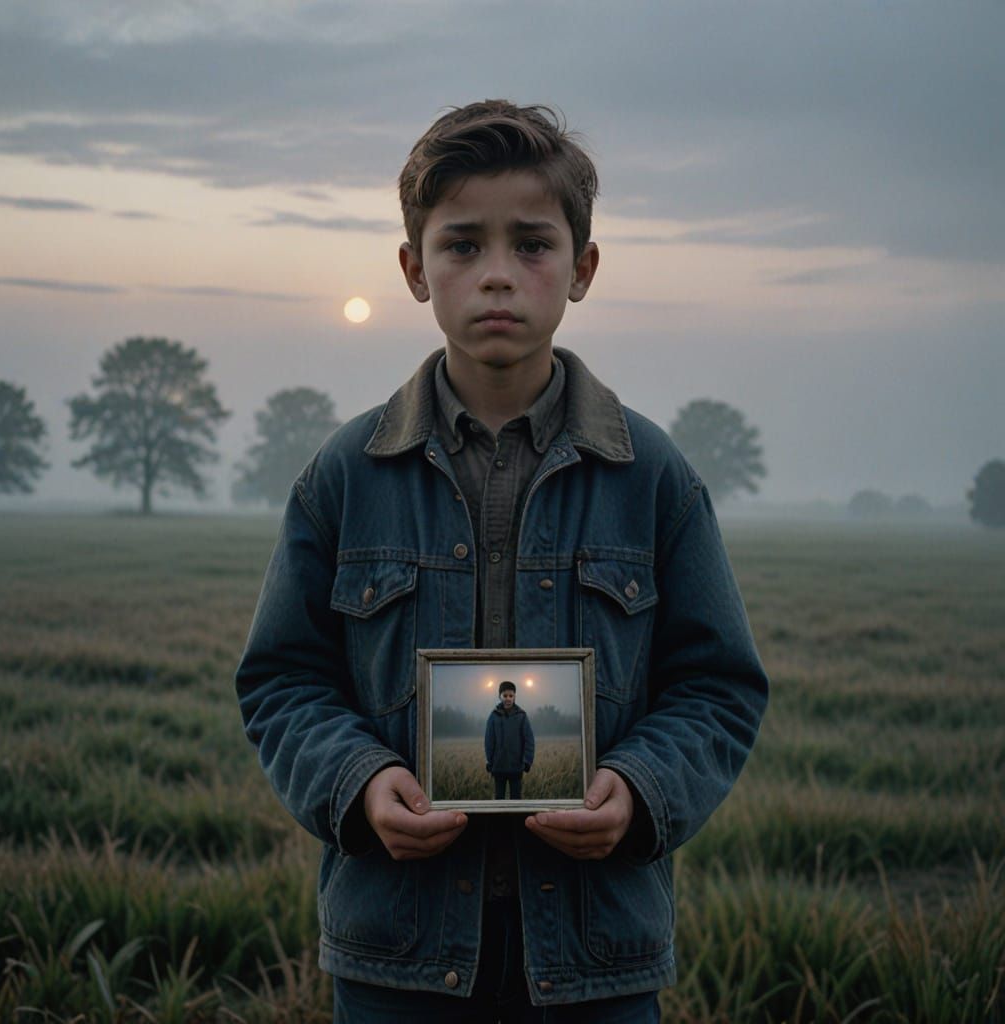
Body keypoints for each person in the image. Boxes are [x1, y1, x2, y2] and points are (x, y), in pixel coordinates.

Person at [235, 99, 768, 1023]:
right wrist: (357, 784)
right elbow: (281, 680)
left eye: (531, 245)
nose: (496, 277)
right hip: (396, 954)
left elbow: (718, 686)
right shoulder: (343, 476)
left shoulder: (653, 479)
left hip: (596, 956)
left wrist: (638, 793)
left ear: (582, 268)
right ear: (413, 270)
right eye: (461, 245)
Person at [485, 681, 535, 799]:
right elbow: (489, 741)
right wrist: (489, 761)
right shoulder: (494, 716)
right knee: (499, 799)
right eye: (505, 696)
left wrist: (527, 761)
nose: (508, 699)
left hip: (516, 766)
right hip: (498, 766)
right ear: (500, 696)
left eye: (511, 696)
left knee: (516, 799)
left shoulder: (521, 716)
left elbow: (529, 740)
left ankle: (516, 818)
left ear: (515, 697)